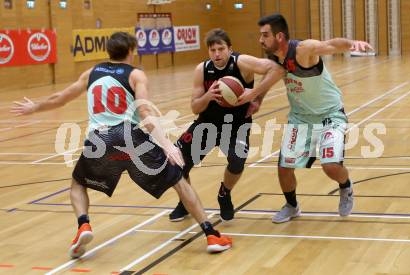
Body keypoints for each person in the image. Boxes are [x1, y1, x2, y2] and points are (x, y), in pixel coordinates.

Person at [10, 32, 232, 258]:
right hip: (129, 137)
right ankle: (211, 234)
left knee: (77, 184)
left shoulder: (91, 73)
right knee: (179, 180)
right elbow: (144, 111)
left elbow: (61, 97)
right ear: (131, 51)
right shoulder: (136, 74)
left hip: (100, 140)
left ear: (108, 51)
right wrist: (167, 145)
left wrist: (35, 107)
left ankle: (83, 225)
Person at [239, 14, 374, 223]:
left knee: (330, 166)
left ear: (280, 36)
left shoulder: (303, 50)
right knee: (284, 168)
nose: (260, 40)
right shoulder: (275, 59)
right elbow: (270, 79)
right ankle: (292, 206)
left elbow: (330, 45)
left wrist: (352, 44)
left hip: (330, 114)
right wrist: (258, 100)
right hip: (300, 118)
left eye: (265, 35)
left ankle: (345, 186)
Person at [169, 28, 283, 222]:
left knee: (237, 160)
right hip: (207, 124)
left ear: (230, 49)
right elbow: (195, 108)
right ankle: (185, 202)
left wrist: (256, 96)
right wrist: (208, 96)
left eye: (221, 49)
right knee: (177, 163)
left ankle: (224, 194)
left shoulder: (241, 63)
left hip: (236, 126)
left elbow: (276, 69)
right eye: (212, 50)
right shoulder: (202, 69)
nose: (217, 53)